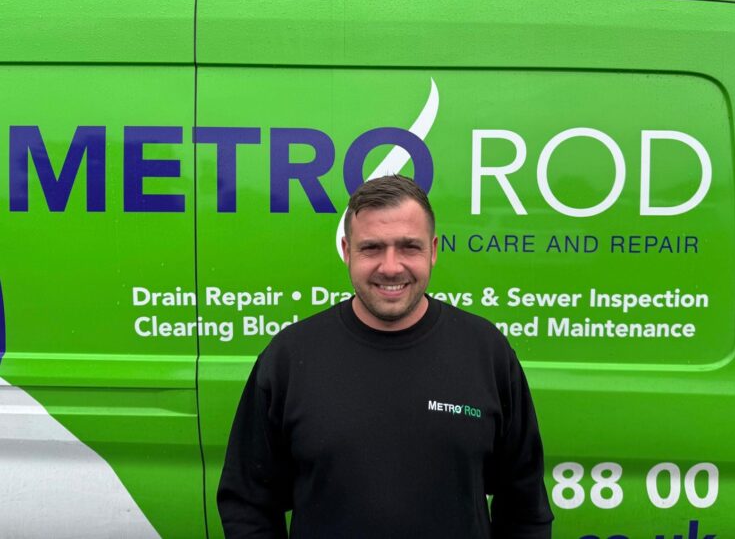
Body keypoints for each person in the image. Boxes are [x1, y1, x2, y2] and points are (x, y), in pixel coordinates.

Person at [218, 175, 553, 538]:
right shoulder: (289, 357)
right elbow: (247, 504)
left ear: (434, 250)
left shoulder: (486, 351)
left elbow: (525, 506)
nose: (391, 267)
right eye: (372, 248)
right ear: (347, 251)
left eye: (409, 247)